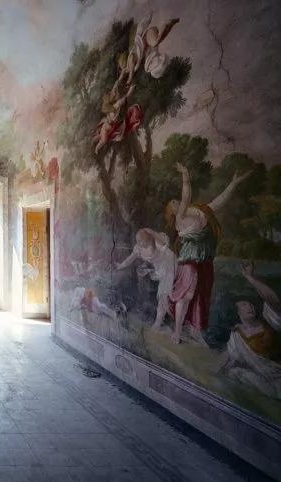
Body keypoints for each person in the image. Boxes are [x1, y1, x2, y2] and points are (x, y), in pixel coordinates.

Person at [165, 163, 251, 345]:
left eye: (175, 200)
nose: (176, 202)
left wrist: (234, 183)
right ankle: (177, 331)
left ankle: (195, 330)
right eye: (173, 203)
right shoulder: (180, 217)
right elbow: (186, 195)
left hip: (204, 260)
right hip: (189, 261)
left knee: (201, 296)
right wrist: (185, 174)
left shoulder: (199, 212)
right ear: (172, 212)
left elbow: (219, 202)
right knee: (186, 296)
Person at [116, 229, 175, 330]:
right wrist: (120, 266)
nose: (141, 243)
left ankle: (158, 322)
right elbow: (130, 259)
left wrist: (151, 232)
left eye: (143, 241)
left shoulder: (158, 242)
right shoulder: (138, 248)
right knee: (159, 294)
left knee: (163, 295)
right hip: (157, 268)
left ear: (149, 239)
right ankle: (159, 319)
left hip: (168, 266)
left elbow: (163, 245)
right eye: (139, 241)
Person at [221, 300, 281, 399]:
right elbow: (235, 358)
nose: (250, 306)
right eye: (244, 304)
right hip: (261, 375)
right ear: (237, 312)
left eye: (251, 304)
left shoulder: (268, 323)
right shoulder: (237, 335)